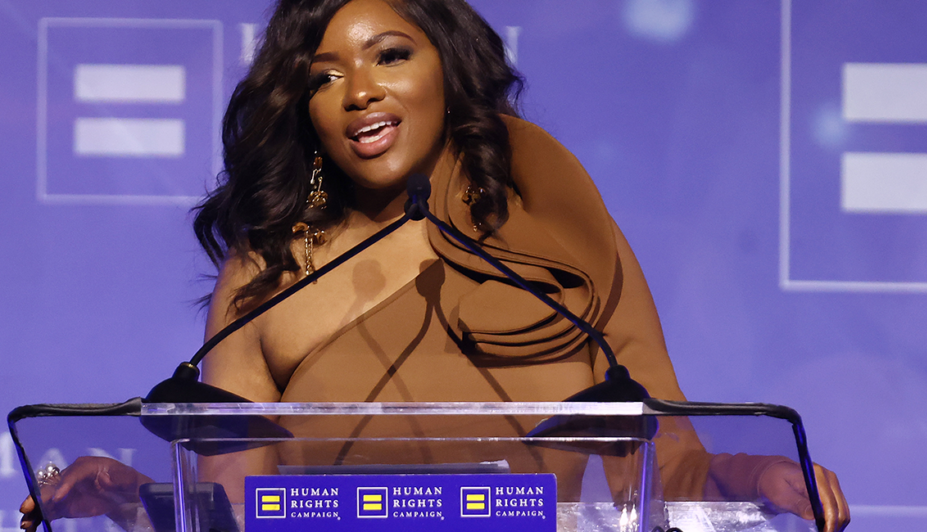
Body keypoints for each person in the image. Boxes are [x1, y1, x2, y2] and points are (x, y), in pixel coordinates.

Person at [21, 0, 850, 530]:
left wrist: (765, 475)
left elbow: (670, 471)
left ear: (447, 71)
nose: (359, 91)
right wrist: (127, 496)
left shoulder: (555, 244)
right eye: (324, 75)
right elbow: (233, 512)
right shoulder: (270, 264)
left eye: (390, 55)